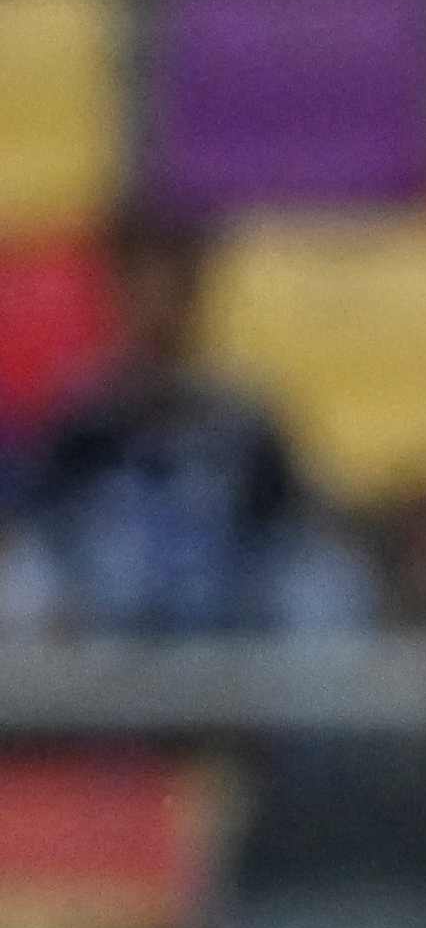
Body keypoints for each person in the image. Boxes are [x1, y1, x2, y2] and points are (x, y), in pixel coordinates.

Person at [0, 200, 365, 637]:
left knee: (325, 585)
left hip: (230, 629)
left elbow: (294, 526)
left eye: (173, 289)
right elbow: (42, 530)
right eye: (142, 288)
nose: (158, 309)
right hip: (103, 635)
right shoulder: (82, 418)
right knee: (21, 583)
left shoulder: (243, 418)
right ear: (118, 296)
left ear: (195, 298)